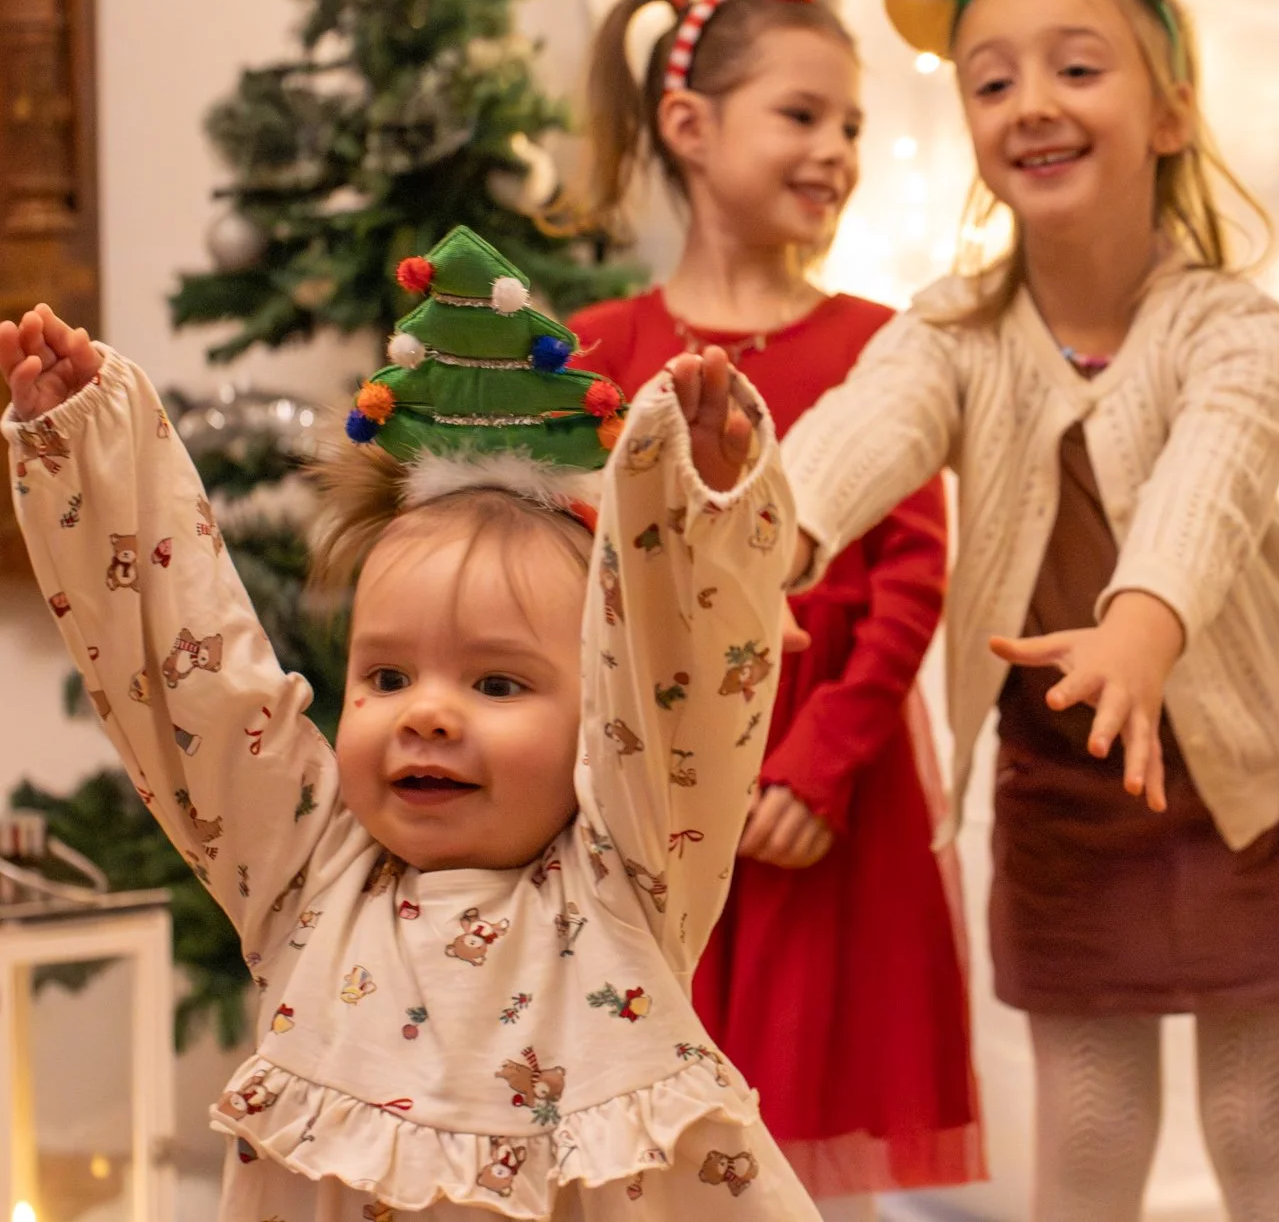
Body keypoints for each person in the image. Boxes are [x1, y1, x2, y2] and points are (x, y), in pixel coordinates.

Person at [782, 0, 1279, 1222]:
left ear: (1170, 110)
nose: (1031, 103)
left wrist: (1142, 622)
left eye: (1078, 65)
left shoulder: (1232, 324)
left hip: (1259, 769)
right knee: (1090, 1118)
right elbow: (861, 434)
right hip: (1073, 781)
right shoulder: (952, 330)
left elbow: (1213, 475)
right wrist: (766, 538)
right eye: (991, 79)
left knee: (1260, 1118)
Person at [2, 225, 817, 1219]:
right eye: (386, 675)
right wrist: (86, 444)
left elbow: (684, 694)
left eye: (497, 685)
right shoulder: (306, 868)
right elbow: (187, 680)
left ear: (597, 729)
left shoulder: (629, 879)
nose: (426, 712)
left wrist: (701, 511)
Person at [568, 0, 982, 1214]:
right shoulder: (597, 353)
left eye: (852, 124)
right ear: (689, 123)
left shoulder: (880, 345)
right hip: (648, 799)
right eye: (802, 113)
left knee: (805, 1146)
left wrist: (822, 759)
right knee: (650, 1128)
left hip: (812, 803)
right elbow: (573, 583)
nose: (837, 150)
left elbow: (913, 573)